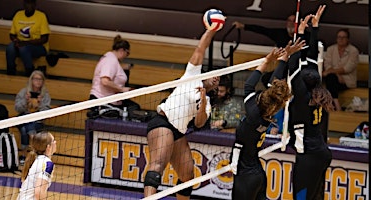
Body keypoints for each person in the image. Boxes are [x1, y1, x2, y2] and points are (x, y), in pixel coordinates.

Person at [143, 28, 222, 199]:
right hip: (163, 122)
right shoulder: (192, 75)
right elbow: (200, 49)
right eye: (214, 75)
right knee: (157, 166)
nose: (216, 78)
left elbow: (200, 123)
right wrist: (211, 31)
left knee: (187, 176)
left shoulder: (207, 102)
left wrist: (202, 100)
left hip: (179, 131)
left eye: (219, 78)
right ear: (205, 74)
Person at [230, 40, 304, 199]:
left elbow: (249, 85)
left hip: (245, 176)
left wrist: (267, 60)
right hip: (258, 174)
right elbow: (272, 84)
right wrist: (284, 58)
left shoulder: (253, 114)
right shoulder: (268, 113)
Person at [274, 6, 334, 199]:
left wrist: (299, 35)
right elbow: (312, 55)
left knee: (300, 196)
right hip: (321, 152)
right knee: (314, 195)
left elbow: (293, 67)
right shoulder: (317, 90)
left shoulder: (302, 97)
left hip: (308, 156)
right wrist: (312, 31)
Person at [89, 35, 138, 116]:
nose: (126, 56)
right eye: (127, 53)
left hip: (111, 100)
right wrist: (122, 89)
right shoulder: (110, 60)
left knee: (133, 107)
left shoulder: (111, 59)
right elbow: (105, 81)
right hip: (103, 101)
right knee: (133, 109)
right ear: (122, 50)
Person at [6, 0, 50, 77]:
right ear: (24, 4)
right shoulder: (18, 14)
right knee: (10, 47)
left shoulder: (41, 16)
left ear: (35, 5)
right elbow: (12, 34)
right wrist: (15, 40)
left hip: (38, 47)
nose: (29, 6)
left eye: (31, 3)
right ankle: (11, 72)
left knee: (24, 48)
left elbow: (44, 39)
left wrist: (26, 43)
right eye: (27, 3)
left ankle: (30, 72)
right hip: (21, 44)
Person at [15, 70, 51, 165]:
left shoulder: (45, 94)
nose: (38, 81)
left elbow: (46, 112)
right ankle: (32, 149)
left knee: (24, 129)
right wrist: (25, 101)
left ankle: (24, 156)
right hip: (23, 118)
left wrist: (40, 104)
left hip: (37, 121)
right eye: (35, 79)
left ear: (43, 81)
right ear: (31, 80)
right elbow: (17, 108)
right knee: (26, 124)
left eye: (40, 79)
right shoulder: (24, 92)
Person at [322, 28, 359, 111]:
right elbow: (327, 64)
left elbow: (348, 68)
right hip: (333, 78)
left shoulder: (354, 51)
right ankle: (336, 103)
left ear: (348, 39)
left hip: (347, 80)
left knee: (330, 77)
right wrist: (335, 74)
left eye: (343, 37)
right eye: (339, 37)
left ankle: (332, 104)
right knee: (331, 78)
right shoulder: (331, 49)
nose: (341, 39)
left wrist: (332, 72)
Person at [18, 131, 56, 200]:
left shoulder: (36, 159)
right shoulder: (47, 164)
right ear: (48, 147)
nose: (55, 142)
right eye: (53, 141)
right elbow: (39, 192)